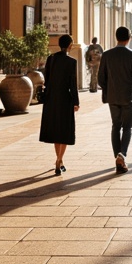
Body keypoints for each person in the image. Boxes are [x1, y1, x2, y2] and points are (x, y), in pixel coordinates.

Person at [97, 26, 132, 174]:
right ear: (129, 38)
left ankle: (117, 157)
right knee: (127, 127)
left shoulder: (107, 55)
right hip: (128, 97)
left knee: (115, 126)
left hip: (112, 97)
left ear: (116, 37)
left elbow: (100, 79)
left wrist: (109, 87)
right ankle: (122, 154)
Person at [39, 34, 80, 175]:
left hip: (51, 99)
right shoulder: (71, 62)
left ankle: (59, 159)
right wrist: (76, 102)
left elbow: (47, 79)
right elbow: (73, 85)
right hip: (65, 99)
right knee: (65, 130)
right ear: (70, 46)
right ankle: (59, 159)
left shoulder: (51, 59)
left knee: (56, 130)